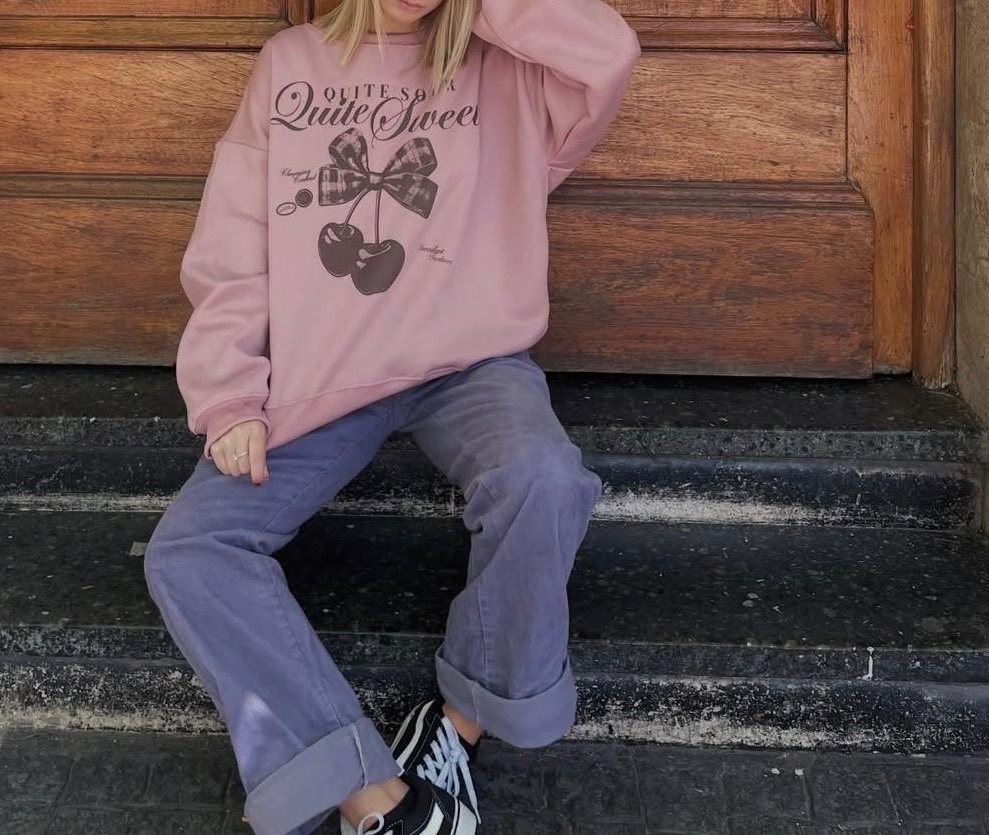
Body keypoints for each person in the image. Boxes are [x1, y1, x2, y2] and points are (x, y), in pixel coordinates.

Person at [143, 0, 640, 832]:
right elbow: (235, 241)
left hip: (470, 366)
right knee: (190, 549)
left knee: (544, 478)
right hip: (320, 377)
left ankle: (458, 725)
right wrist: (228, 390)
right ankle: (367, 793)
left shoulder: (515, 71)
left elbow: (608, 50)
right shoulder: (291, 62)